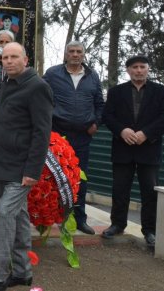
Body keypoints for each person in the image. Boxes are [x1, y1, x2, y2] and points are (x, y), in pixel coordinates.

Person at [0, 43, 53, 291]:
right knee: (20, 218)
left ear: (26, 59)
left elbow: (41, 133)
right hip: (2, 164)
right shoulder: (7, 84)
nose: (8, 61)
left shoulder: (38, 87)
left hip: (21, 168)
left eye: (14, 57)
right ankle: (22, 272)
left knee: (5, 214)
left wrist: (32, 170)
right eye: (5, 57)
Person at [101, 55, 164, 247]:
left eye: (142, 66)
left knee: (149, 192)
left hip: (149, 149)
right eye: (135, 67)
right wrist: (121, 130)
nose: (139, 70)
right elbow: (107, 116)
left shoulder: (162, 92)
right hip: (122, 148)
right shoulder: (116, 92)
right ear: (128, 70)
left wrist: (146, 133)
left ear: (148, 69)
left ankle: (149, 230)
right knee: (119, 189)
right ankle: (117, 224)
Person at [43, 41, 105, 235]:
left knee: (80, 178)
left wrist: (96, 123)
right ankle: (52, 218)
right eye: (72, 51)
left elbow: (99, 104)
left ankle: (80, 219)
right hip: (58, 135)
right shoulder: (53, 74)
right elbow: (40, 97)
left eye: (79, 52)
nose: (75, 55)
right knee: (53, 177)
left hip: (82, 136)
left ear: (84, 54)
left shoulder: (93, 76)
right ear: (66, 53)